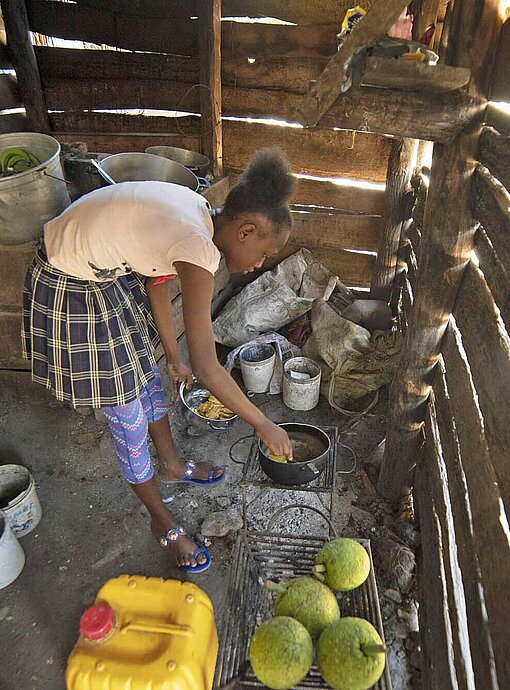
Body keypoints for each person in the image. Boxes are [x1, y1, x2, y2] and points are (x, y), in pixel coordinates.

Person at [22, 148, 295, 573]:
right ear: (246, 230)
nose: (259, 263)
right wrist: (261, 422)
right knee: (126, 411)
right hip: (69, 281)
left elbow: (154, 280)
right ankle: (161, 522)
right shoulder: (198, 246)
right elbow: (207, 366)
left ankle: (169, 464)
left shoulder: (201, 210)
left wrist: (170, 354)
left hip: (100, 276)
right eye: (263, 253)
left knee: (145, 376)